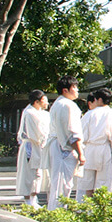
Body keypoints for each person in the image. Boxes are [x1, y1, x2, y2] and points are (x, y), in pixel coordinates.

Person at [46, 75, 85, 210]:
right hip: (63, 147)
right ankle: (58, 215)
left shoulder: (58, 103)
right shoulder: (67, 105)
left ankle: (56, 213)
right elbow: (72, 132)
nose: (77, 90)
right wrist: (81, 153)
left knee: (59, 184)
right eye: (74, 87)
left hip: (58, 145)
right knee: (63, 185)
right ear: (65, 90)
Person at [78, 88, 112, 201]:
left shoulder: (89, 114)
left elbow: (82, 133)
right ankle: (100, 207)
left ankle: (88, 206)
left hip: (90, 148)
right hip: (104, 148)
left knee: (88, 181)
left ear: (99, 99)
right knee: (103, 181)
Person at [16, 90, 50, 208]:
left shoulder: (40, 113)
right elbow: (37, 133)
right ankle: (28, 200)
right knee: (29, 174)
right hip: (31, 146)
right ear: (37, 102)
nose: (47, 103)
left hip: (39, 147)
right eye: (44, 101)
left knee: (37, 174)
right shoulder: (30, 113)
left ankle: (34, 198)